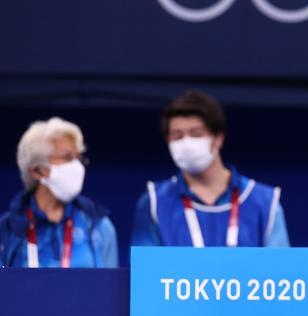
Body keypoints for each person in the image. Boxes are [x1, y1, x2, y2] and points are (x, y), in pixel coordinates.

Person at [131, 90, 289, 247]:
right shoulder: (154, 202)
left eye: (196, 134)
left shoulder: (264, 202)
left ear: (218, 139)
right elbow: (144, 270)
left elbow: (281, 268)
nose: (187, 144)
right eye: (177, 136)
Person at [0, 117, 118, 268]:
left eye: (79, 158)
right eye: (68, 157)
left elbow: (110, 289)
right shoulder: (6, 230)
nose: (77, 166)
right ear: (37, 170)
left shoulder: (100, 226)